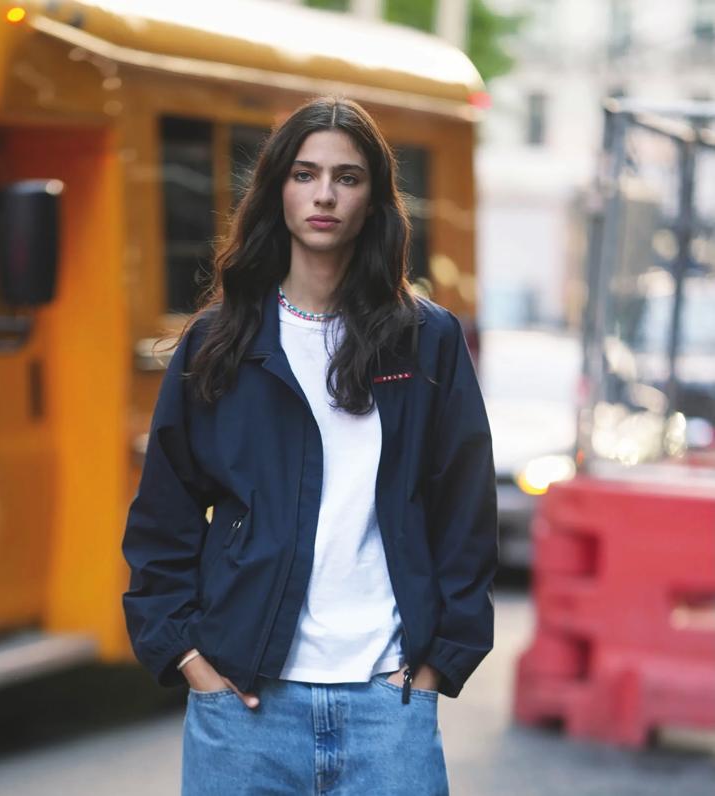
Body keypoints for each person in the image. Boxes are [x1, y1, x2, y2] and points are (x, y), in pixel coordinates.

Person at [122, 96, 497, 796]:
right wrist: (189, 658)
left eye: (347, 177)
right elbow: (162, 517)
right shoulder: (219, 343)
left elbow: (464, 512)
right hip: (243, 707)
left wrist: (435, 664)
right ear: (278, 191)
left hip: (388, 704)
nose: (324, 193)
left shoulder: (426, 340)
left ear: (373, 201)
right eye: (305, 173)